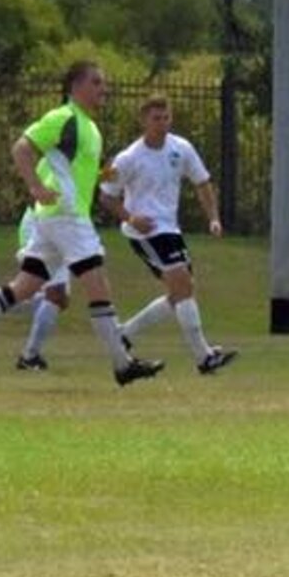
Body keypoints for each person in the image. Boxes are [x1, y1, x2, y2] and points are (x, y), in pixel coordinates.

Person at [0, 61, 163, 387]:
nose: (104, 89)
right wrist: (35, 186)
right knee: (98, 288)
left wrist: (100, 175)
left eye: (104, 83)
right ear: (76, 86)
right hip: (66, 216)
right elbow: (22, 147)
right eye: (97, 83)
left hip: (57, 219)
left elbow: (71, 169)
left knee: (24, 287)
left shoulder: (89, 127)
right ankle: (122, 365)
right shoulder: (65, 117)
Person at [100, 95, 238, 375]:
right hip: (145, 233)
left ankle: (124, 334)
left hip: (169, 229)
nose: (162, 124)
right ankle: (204, 358)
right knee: (184, 288)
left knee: (180, 292)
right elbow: (105, 196)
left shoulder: (181, 147)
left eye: (166, 118)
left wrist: (213, 218)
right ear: (143, 121)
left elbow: (202, 182)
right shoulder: (127, 158)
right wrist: (131, 218)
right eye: (156, 119)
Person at [13, 207, 69, 370]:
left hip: (51, 228)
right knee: (56, 296)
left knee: (60, 299)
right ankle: (30, 355)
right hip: (44, 228)